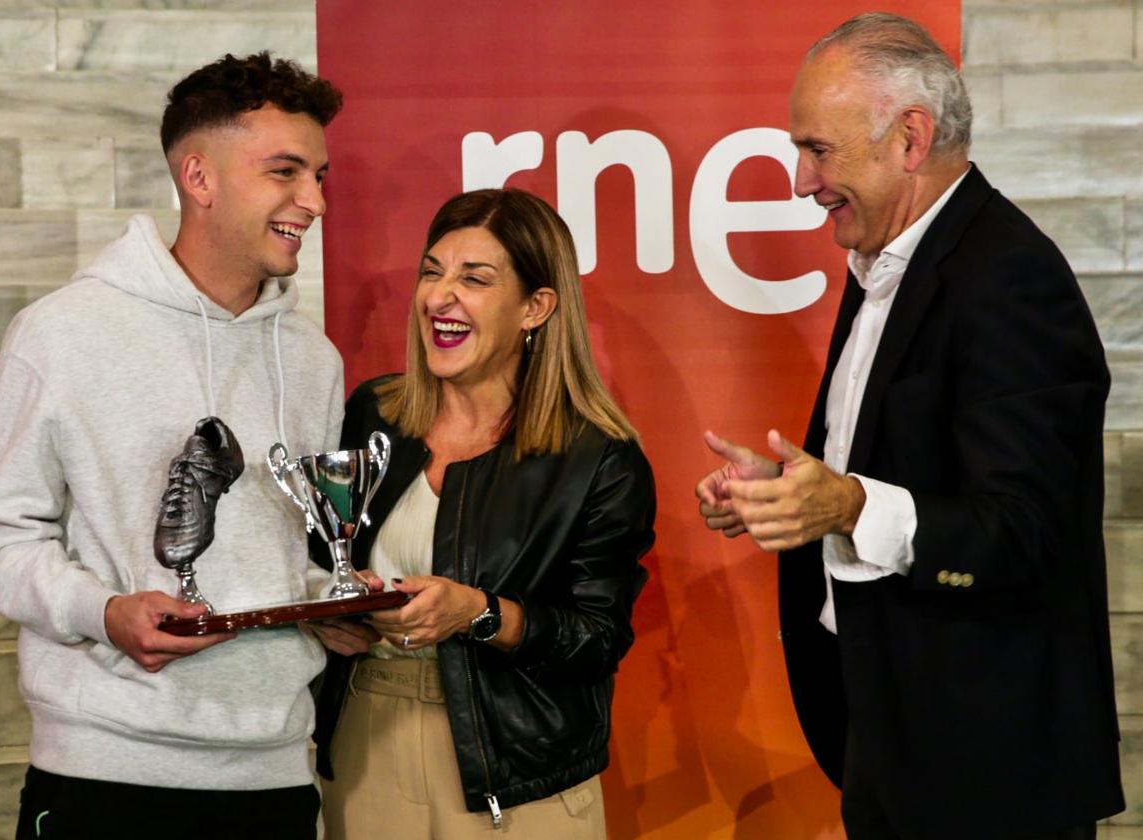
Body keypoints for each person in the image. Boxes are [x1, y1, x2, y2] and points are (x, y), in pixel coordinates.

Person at [695, 13, 1123, 840]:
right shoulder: (886, 258)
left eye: (818, 149)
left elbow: (1025, 532)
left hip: (985, 777)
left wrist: (848, 506)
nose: (798, 178)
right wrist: (792, 493)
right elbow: (896, 460)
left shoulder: (1010, 278)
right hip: (894, 739)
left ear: (910, 139)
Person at [0, 53, 344, 839]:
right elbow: (0, 545)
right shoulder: (62, 334)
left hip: (274, 774)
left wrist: (337, 600)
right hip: (103, 777)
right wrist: (103, 612)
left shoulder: (313, 359)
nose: (313, 200)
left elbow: (278, 554)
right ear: (199, 179)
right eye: (285, 171)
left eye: (318, 175)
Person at [309, 187, 656, 839]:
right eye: (432, 271)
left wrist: (480, 614)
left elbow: (599, 638)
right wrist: (328, 616)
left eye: (475, 278)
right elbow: (316, 557)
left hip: (519, 778)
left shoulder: (598, 458)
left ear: (536, 307)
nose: (441, 296)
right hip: (365, 746)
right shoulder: (371, 414)